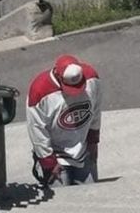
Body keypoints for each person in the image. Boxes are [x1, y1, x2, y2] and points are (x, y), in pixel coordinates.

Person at [27, 54, 102, 186]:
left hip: (82, 150)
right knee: (61, 194)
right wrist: (48, 163)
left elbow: (95, 110)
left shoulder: (92, 79)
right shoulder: (39, 91)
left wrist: (93, 141)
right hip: (55, 154)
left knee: (91, 193)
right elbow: (37, 130)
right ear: (57, 74)